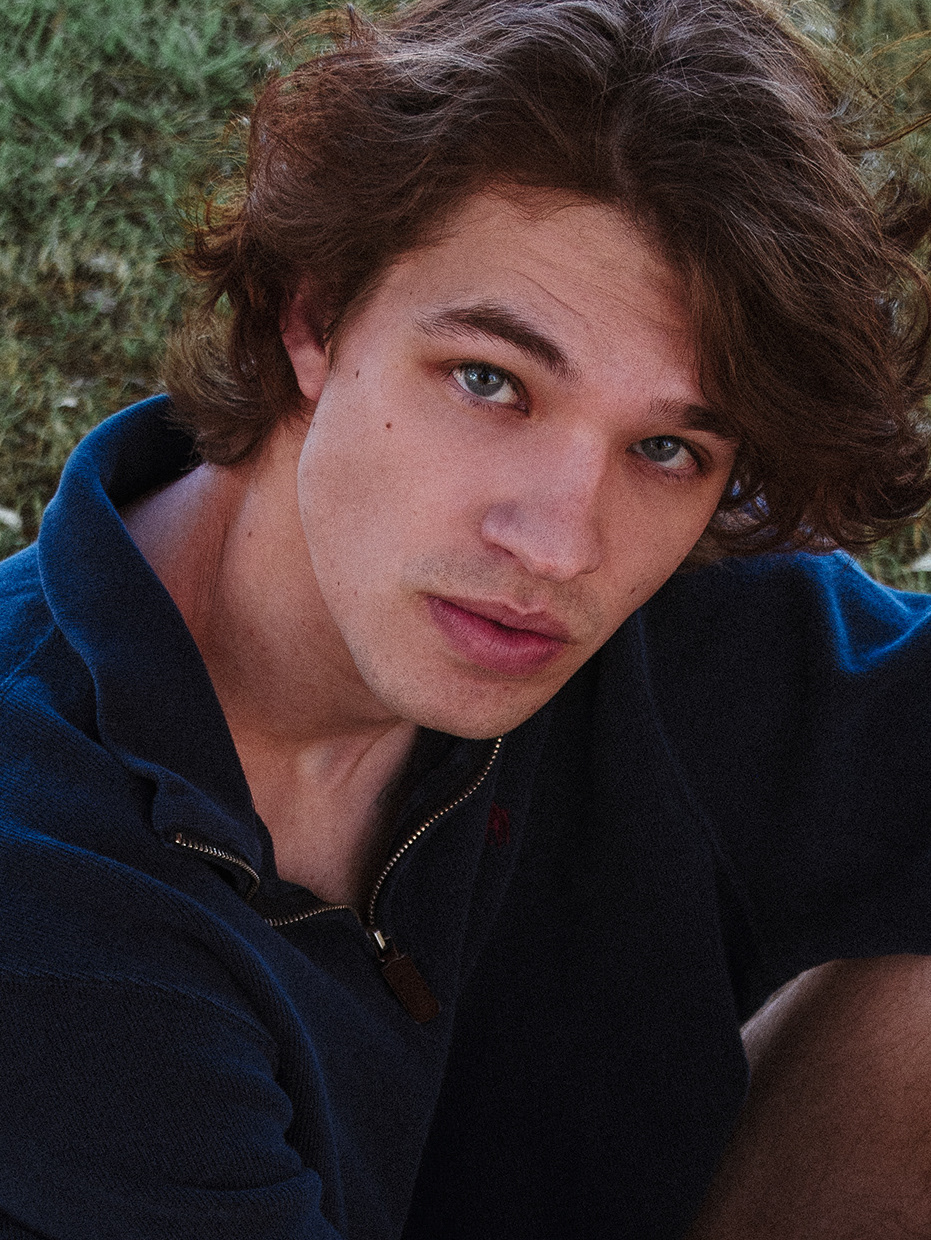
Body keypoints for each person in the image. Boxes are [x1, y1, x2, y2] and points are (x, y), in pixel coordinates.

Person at [3, 0, 931, 1235]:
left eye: (666, 446)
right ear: (312, 317)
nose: (558, 546)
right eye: (490, 381)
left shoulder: (675, 607)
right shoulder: (47, 908)